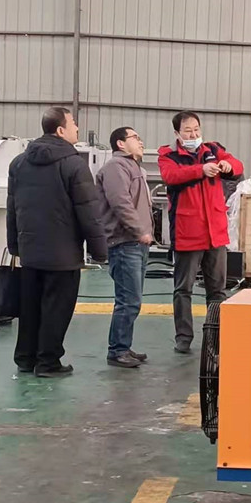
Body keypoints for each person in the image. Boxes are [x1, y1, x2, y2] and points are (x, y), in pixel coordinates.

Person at [7, 107, 107, 378]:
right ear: (61, 130)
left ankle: (26, 358)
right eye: (73, 123)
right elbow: (88, 212)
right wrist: (99, 250)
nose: (77, 128)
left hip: (30, 253)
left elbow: (12, 208)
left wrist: (15, 246)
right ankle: (48, 362)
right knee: (57, 309)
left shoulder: (18, 163)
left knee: (30, 307)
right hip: (63, 256)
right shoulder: (74, 164)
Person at [158, 111, 244, 353]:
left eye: (196, 129)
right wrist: (200, 170)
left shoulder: (213, 150)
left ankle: (215, 336)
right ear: (177, 133)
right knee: (183, 289)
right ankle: (183, 337)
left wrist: (228, 166)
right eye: (188, 131)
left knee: (217, 290)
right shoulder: (169, 155)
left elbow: (238, 165)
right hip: (188, 233)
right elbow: (171, 176)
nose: (193, 134)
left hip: (215, 234)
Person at [96, 127, 154, 369]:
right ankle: (117, 351)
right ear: (120, 144)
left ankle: (123, 346)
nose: (140, 142)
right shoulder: (115, 167)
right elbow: (121, 202)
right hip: (125, 242)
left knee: (132, 300)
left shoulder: (133, 167)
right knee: (128, 300)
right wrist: (139, 230)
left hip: (136, 243)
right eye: (135, 138)